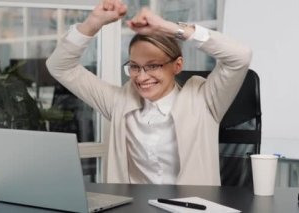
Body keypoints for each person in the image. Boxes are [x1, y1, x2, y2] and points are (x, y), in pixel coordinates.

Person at [46, 0, 252, 186]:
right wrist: (92, 23)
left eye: (153, 66)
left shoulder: (205, 101)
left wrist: (167, 27)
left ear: (177, 65)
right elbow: (60, 67)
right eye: (135, 67)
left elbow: (240, 56)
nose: (142, 77)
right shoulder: (118, 103)